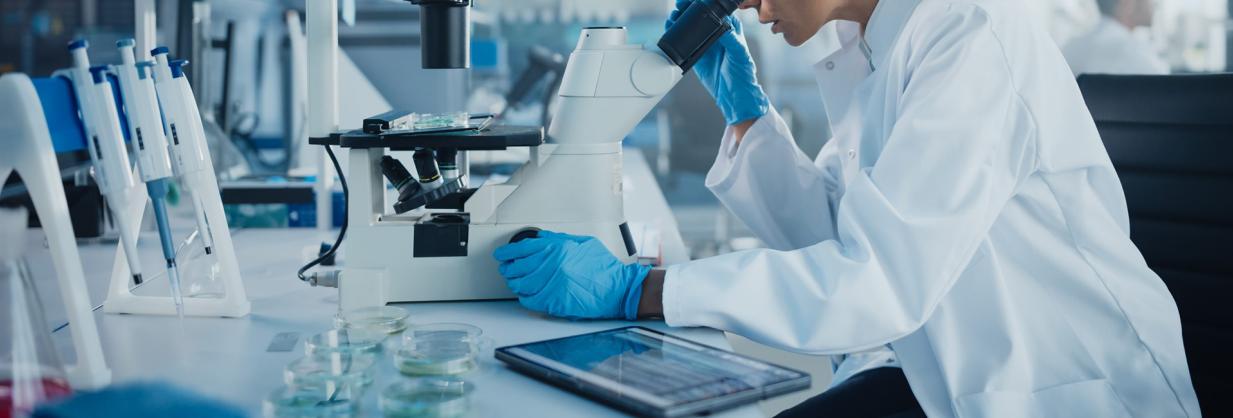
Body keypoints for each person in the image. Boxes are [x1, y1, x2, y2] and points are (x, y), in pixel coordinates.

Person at [493, 0, 1201, 416]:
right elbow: (832, 235)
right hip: (934, 374)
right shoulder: (869, 51)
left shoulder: (970, 33)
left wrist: (640, 291)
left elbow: (877, 282)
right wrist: (745, 115)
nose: (754, 8)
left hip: (1055, 392)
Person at [1062, 0, 1169, 76]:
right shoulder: (1135, 53)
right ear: (1127, 3)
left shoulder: (1070, 49)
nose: (1155, 4)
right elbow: (1166, 92)